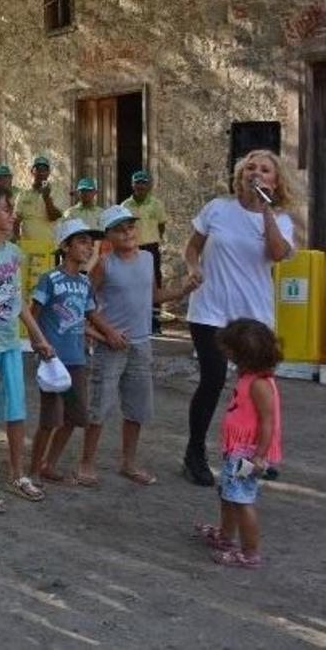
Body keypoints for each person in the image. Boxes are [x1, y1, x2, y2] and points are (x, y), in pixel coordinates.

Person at [182, 149, 294, 486]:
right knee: (214, 380)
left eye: (265, 170)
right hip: (210, 311)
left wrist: (266, 211)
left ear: (275, 181)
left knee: (259, 387)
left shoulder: (282, 219)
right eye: (250, 167)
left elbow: (276, 254)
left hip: (254, 317)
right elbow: (192, 248)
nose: (256, 173)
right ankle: (195, 454)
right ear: (240, 174)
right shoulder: (217, 208)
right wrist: (193, 268)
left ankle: (261, 454)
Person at [77, 205, 196, 487]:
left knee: (137, 408)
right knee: (99, 407)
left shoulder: (146, 259)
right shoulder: (104, 264)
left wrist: (182, 290)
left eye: (130, 227)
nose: (127, 233)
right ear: (107, 237)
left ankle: (129, 462)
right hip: (110, 345)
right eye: (119, 229)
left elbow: (153, 295)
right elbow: (85, 300)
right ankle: (87, 462)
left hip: (142, 344)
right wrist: (105, 332)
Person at [0, 185, 54, 511]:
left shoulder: (14, 253)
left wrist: (38, 337)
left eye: (10, 208)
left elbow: (18, 302)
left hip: (11, 344)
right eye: (5, 208)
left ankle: (17, 476)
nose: (11, 214)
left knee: (17, 410)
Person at [26, 219, 122, 485]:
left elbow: (86, 317)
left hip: (77, 359)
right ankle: (33, 469)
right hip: (52, 360)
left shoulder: (84, 283)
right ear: (65, 246)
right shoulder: (49, 279)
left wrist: (107, 335)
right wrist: (39, 346)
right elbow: (32, 316)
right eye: (81, 242)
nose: (89, 248)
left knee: (76, 416)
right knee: (49, 419)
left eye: (91, 244)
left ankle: (50, 464)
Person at [192, 319, 282, 569]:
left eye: (231, 352)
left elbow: (268, 422)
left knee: (242, 499)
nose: (227, 355)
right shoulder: (249, 376)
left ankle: (250, 552)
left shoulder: (260, 384)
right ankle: (225, 535)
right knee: (229, 493)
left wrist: (259, 457)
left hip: (247, 454)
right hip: (237, 450)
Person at [121, 170, 167, 334]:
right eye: (137, 182)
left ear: (149, 185)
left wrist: (154, 238)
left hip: (151, 247)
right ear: (132, 185)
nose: (140, 186)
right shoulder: (125, 206)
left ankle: (155, 323)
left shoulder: (156, 204)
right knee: (131, 283)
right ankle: (133, 321)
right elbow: (122, 228)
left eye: (143, 183)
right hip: (132, 248)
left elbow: (161, 225)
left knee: (154, 284)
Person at [13, 156, 62, 243]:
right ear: (32, 172)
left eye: (44, 170)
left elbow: (54, 217)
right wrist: (17, 240)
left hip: (49, 246)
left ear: (48, 173)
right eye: (38, 169)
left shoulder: (56, 191)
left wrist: (46, 198)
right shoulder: (23, 194)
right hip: (27, 246)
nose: (41, 173)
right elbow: (16, 220)